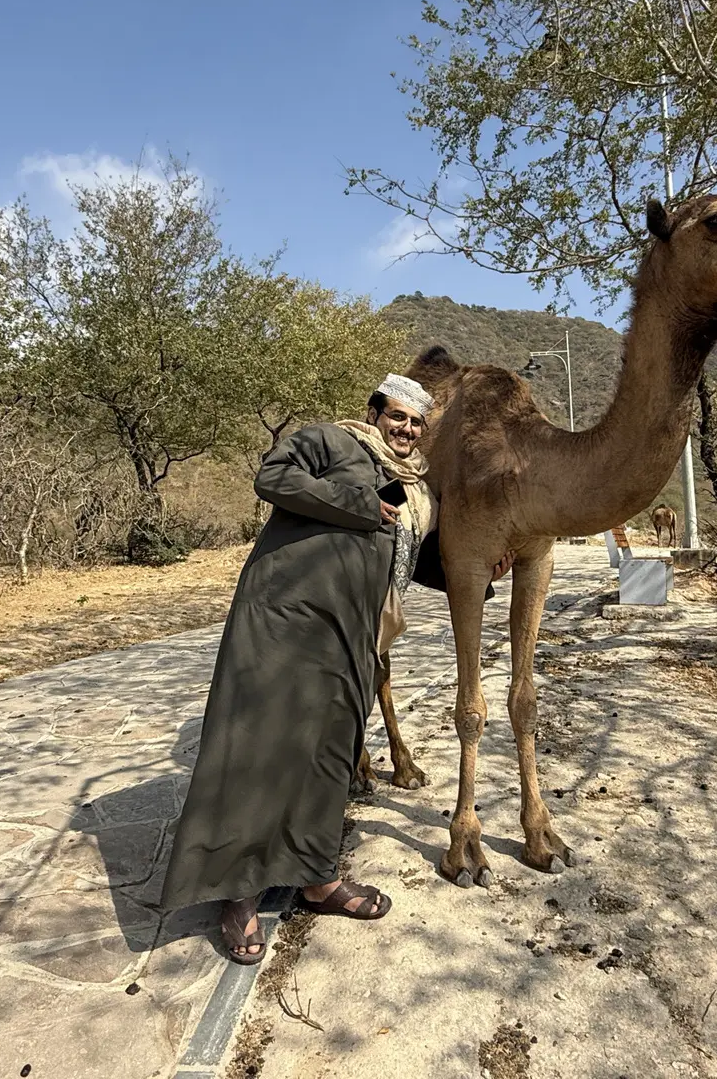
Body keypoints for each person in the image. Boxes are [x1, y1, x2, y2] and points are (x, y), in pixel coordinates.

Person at [159, 373, 510, 963]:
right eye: (397, 415)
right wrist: (358, 504)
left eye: (417, 422)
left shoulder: (418, 491)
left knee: (331, 754)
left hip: (355, 635)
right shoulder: (331, 442)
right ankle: (239, 893)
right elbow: (272, 476)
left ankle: (317, 876)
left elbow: (416, 561)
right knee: (259, 746)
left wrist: (481, 574)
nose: (406, 428)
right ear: (374, 413)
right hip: (285, 617)